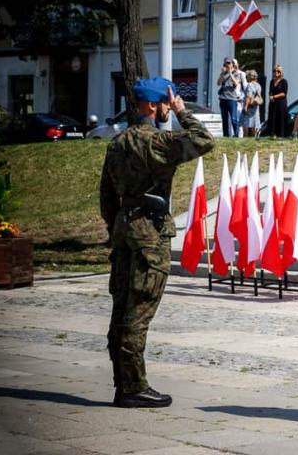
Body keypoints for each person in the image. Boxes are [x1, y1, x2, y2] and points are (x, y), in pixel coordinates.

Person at [100, 77, 214, 408]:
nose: (168, 106)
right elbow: (204, 140)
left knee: (121, 310)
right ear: (152, 105)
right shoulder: (157, 142)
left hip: (124, 228)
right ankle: (134, 388)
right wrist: (183, 111)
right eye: (165, 102)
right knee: (139, 310)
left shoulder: (117, 143)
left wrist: (117, 227)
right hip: (150, 232)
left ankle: (123, 383)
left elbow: (107, 196)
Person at [217, 56, 243, 137]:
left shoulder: (237, 74)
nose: (227, 65)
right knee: (224, 119)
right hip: (223, 98)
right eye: (226, 63)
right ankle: (226, 135)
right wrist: (222, 73)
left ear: (232, 64)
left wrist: (230, 73)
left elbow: (236, 83)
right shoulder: (223, 74)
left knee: (234, 119)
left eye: (229, 63)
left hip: (232, 99)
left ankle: (236, 134)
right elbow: (218, 83)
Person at [266, 65, 288, 137]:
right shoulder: (272, 81)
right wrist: (270, 96)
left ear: (281, 72)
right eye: (274, 71)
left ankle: (281, 134)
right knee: (272, 118)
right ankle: (272, 134)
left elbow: (284, 93)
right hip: (273, 103)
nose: (276, 73)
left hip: (281, 103)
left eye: (278, 71)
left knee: (280, 118)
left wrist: (274, 96)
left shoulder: (284, 81)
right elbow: (270, 91)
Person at [241, 70, 262, 137]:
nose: (246, 78)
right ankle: (253, 139)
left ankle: (245, 138)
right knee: (254, 125)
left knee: (246, 125)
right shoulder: (258, 85)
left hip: (249, 107)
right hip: (255, 108)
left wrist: (245, 107)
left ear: (250, 77)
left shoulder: (249, 85)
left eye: (247, 76)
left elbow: (248, 97)